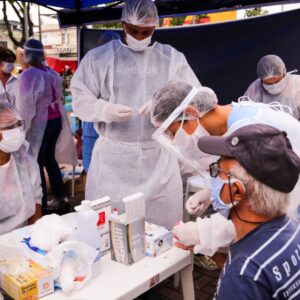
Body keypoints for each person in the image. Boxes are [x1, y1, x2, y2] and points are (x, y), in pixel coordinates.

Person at [71, 0, 200, 227]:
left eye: (146, 31)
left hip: (159, 159)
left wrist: (165, 104)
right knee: (111, 228)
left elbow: (193, 97)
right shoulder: (99, 59)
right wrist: (104, 109)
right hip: (113, 163)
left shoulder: (171, 58)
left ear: (156, 27)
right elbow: (80, 98)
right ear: (123, 24)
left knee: (163, 230)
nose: (139, 37)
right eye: (134, 31)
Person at [175, 124, 300, 299]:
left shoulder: (243, 275)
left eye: (216, 170)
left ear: (236, 191)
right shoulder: (292, 230)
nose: (212, 179)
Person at [15, 39, 77, 212]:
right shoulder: (50, 72)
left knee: (37, 163)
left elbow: (25, 105)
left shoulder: (28, 76)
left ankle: (40, 203)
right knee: (51, 160)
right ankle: (61, 197)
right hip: (55, 121)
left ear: (26, 55)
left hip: (40, 124)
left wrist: (22, 128)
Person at [0, 102, 42, 234]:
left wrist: (35, 237)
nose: (17, 130)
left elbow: (36, 199)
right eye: (9, 126)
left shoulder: (26, 164)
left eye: (18, 124)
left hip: (20, 237)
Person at [82, 31, 120, 172]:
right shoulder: (89, 68)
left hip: (113, 129)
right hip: (94, 127)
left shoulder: (126, 70)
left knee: (109, 170)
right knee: (94, 168)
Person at [244, 54, 300, 120]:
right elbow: (244, 114)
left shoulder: (297, 84)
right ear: (261, 81)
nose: (274, 86)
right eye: (268, 84)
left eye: (277, 82)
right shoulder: (255, 89)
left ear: (284, 73)